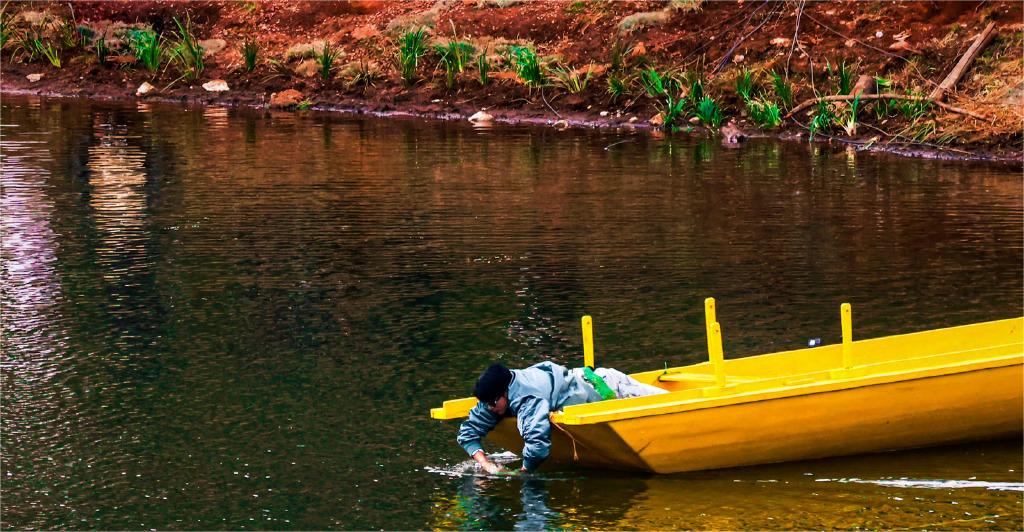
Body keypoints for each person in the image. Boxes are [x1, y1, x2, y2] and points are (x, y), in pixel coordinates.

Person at [457, 361, 667, 474]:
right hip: (586, 388)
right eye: (486, 404)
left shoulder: (527, 396)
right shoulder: (495, 396)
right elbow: (468, 432)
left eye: (493, 403)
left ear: (504, 393)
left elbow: (537, 443)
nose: (490, 409)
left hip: (610, 387)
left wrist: (523, 472)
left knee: (668, 402)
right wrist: (486, 464)